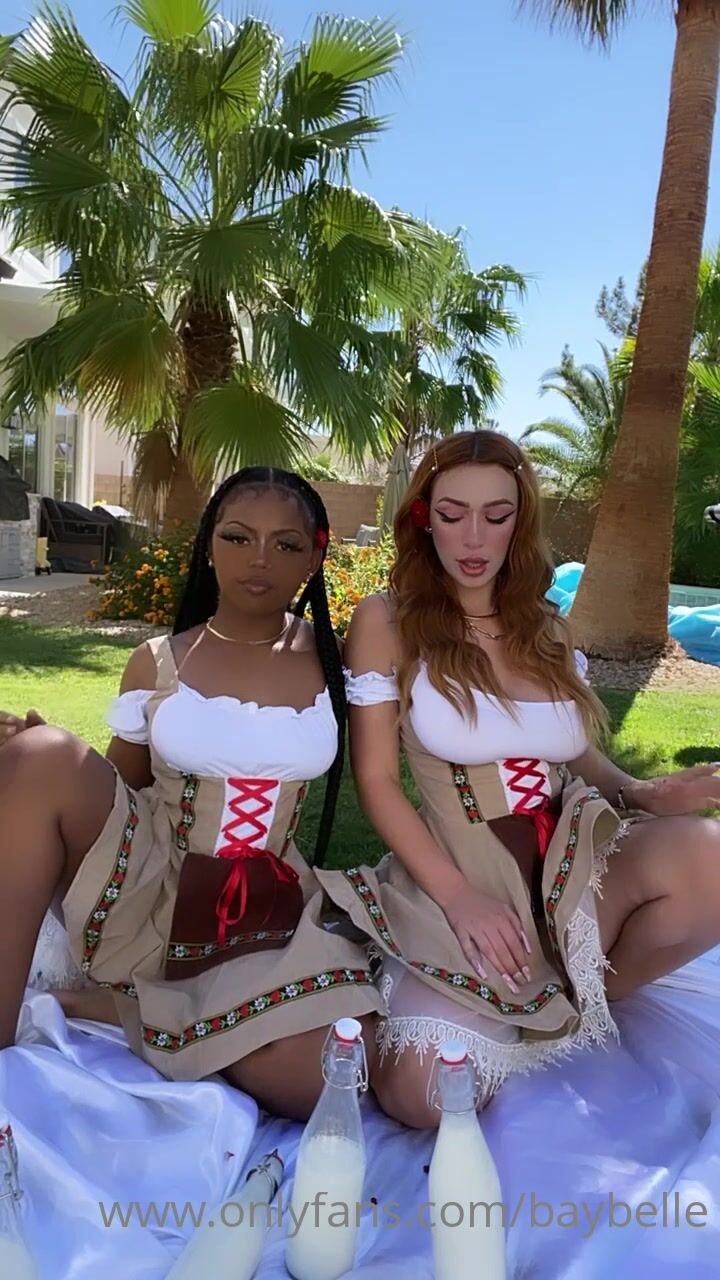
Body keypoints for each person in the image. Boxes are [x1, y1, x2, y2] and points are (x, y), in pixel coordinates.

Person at [314, 430, 720, 1129]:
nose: (474, 537)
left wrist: (647, 794)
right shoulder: (389, 620)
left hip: (573, 860)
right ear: (425, 519)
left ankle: (578, 995)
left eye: (496, 515)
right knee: (423, 1096)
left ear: (520, 521)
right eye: (453, 514)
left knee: (711, 858)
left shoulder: (547, 627)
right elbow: (376, 782)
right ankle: (507, 988)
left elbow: (576, 756)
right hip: (462, 875)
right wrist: (460, 900)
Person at [0, 467, 385, 1120]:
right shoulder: (158, 660)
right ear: (209, 545)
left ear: (314, 558)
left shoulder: (338, 662)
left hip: (268, 905)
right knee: (41, 756)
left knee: (328, 1077)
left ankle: (130, 1008)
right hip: (157, 888)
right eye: (238, 537)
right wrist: (47, 757)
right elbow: (123, 786)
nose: (259, 559)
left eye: (286, 544)